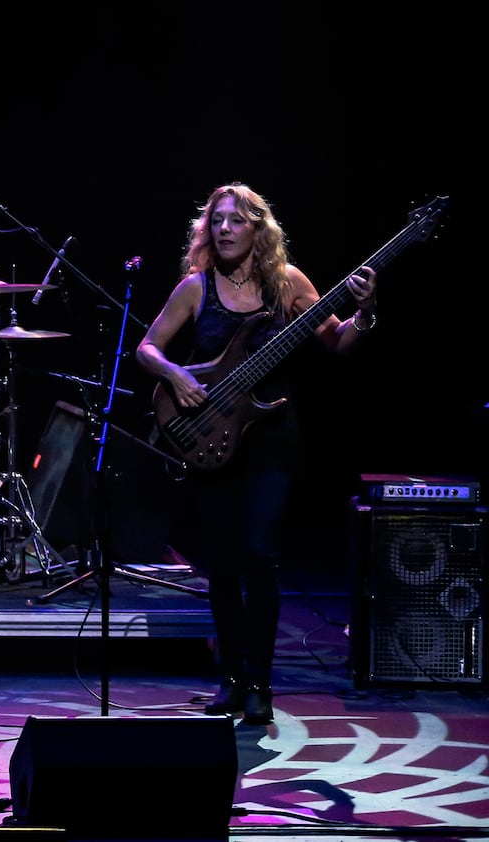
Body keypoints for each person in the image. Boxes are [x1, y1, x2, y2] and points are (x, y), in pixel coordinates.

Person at [136, 182, 378, 725]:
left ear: (257, 228)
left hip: (270, 437)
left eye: (235, 220)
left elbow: (337, 342)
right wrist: (177, 373)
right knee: (222, 561)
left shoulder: (287, 284)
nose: (223, 229)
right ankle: (231, 677)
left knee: (260, 553)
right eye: (215, 220)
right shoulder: (195, 288)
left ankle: (261, 683)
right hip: (209, 435)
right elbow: (147, 348)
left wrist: (364, 315)